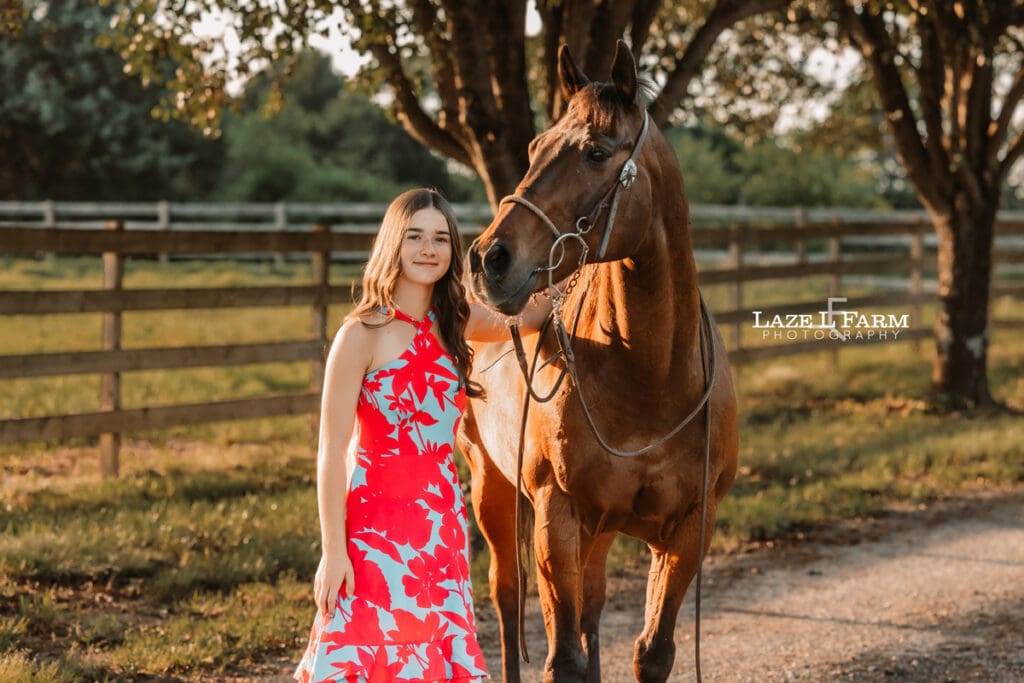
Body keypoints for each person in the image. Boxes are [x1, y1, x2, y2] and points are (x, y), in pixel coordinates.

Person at [294, 188, 549, 683]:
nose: (428, 249)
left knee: (434, 651)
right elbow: (329, 452)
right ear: (393, 243)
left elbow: (531, 317)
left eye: (440, 238)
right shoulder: (360, 334)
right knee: (364, 651)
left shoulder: (459, 322)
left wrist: (576, 265)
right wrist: (333, 550)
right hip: (371, 530)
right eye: (415, 237)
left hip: (439, 525)